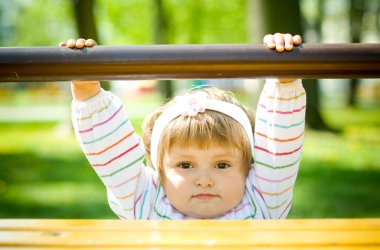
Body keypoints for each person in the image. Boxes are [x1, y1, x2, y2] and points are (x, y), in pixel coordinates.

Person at [61, 33, 306, 220]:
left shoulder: (263, 199)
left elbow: (279, 146)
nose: (204, 180)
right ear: (159, 172)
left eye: (222, 164)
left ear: (248, 169)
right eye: (185, 165)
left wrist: (284, 76)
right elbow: (113, 153)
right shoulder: (145, 202)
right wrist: (86, 90)